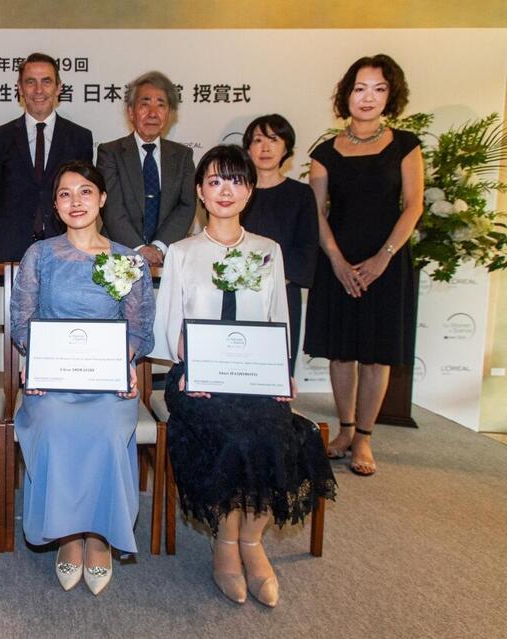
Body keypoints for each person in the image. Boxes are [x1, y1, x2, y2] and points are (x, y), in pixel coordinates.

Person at [153, 145, 335, 607]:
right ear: (199, 191)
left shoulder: (268, 251)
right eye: (214, 181)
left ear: (250, 190)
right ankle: (226, 542)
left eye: (235, 180)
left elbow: (278, 321)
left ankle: (252, 542)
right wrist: (194, 369)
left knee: (274, 432)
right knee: (231, 434)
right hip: (197, 379)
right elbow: (169, 327)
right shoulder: (182, 253)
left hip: (255, 378)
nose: (225, 190)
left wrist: (280, 375)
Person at [10, 160, 155, 596]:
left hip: (107, 380)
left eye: (85, 191)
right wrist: (35, 362)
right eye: (65, 194)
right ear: (55, 205)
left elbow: (139, 330)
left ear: (102, 198)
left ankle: (100, 536)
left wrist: (125, 362)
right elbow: (22, 321)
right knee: (53, 423)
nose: (75, 201)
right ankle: (69, 535)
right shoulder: (39, 255)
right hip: (52, 379)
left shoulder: (128, 260)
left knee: (108, 429)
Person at [304, 54, 424, 477]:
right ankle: (345, 430)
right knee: (341, 353)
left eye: (378, 89)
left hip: (386, 262)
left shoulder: (405, 145)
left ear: (391, 95)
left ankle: (365, 438)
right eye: (360, 88)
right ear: (347, 94)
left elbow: (413, 206)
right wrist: (337, 261)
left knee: (376, 355)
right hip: (338, 261)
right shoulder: (324, 152)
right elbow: (317, 213)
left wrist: (382, 257)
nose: (368, 97)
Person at [0, 52, 93, 262]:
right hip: (13, 249)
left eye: (47, 81)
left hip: (67, 249)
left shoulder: (80, 137)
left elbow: (84, 196)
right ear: (20, 88)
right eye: (30, 82)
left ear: (58, 87)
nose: (39, 90)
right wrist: (15, 231)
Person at [242, 114, 319, 373]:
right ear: (248, 148)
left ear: (286, 148)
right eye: (258, 140)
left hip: (283, 293)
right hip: (238, 292)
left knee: (279, 368)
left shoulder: (301, 194)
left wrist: (275, 278)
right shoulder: (235, 192)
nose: (265, 147)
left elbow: (307, 246)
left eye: (273, 140)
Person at [97, 71, 196, 267]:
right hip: (117, 257)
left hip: (168, 258)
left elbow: (186, 206)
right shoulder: (110, 153)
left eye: (161, 105)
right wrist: (139, 249)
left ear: (169, 114)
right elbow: (111, 207)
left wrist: (159, 247)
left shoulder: (183, 156)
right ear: (131, 112)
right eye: (145, 104)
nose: (153, 113)